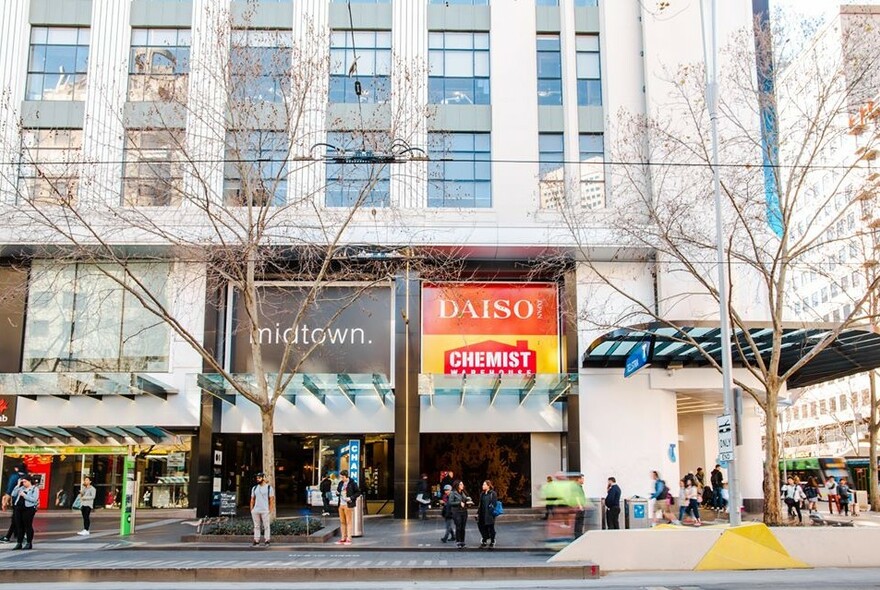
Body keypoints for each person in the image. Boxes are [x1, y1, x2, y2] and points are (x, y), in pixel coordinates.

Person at [11, 474, 38, 550]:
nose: (24, 483)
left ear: (29, 481)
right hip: (18, 508)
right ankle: (19, 543)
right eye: (22, 482)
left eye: (25, 482)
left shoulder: (34, 489)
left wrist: (24, 495)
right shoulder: (21, 488)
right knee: (19, 526)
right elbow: (13, 494)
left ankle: (29, 543)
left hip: (28, 508)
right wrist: (18, 485)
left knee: (27, 526)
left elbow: (34, 499)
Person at [1, 464, 26, 543]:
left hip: (17, 501)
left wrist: (5, 503)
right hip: (27, 501)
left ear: (16, 469)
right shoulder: (27, 476)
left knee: (16, 518)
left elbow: (9, 490)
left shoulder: (14, 477)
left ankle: (11, 537)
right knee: (18, 519)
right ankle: (17, 535)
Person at [249, 472, 275, 547]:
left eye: (259, 477)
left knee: (266, 526)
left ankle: (267, 540)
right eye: (257, 478)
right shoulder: (254, 488)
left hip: (265, 509)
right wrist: (252, 509)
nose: (257, 479)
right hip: (256, 510)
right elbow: (252, 499)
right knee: (256, 526)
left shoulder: (269, 488)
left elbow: (271, 499)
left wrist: (270, 509)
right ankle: (256, 540)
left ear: (263, 478)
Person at [335, 469, 360, 546]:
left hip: (348, 504)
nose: (341, 479)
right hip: (341, 504)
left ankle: (348, 538)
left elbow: (358, 492)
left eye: (342, 477)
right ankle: (343, 538)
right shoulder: (340, 483)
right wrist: (337, 493)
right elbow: (338, 491)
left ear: (346, 476)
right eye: (341, 477)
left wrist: (351, 498)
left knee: (348, 521)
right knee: (342, 522)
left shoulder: (352, 483)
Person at [449, 479, 473, 549]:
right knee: (458, 526)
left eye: (462, 484)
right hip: (456, 512)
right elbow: (450, 502)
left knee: (463, 527)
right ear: (457, 485)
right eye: (461, 484)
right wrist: (459, 503)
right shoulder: (453, 493)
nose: (462, 486)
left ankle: (463, 542)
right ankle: (458, 541)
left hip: (464, 511)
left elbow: (466, 499)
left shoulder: (463, 492)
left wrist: (469, 501)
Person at [477, 479, 498, 549]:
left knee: (491, 528)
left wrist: (490, 512)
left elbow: (494, 504)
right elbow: (480, 504)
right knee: (482, 527)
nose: (483, 486)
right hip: (482, 514)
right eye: (483, 484)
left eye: (484, 484)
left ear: (488, 486)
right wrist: (478, 513)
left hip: (489, 514)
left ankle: (492, 541)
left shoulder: (493, 493)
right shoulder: (482, 494)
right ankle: (484, 540)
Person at [572, 474, 589, 538]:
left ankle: (578, 534)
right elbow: (577, 497)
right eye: (582, 479)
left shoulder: (579, 486)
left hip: (581, 506)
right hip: (579, 507)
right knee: (579, 522)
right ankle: (578, 536)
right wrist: (580, 506)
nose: (583, 480)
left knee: (580, 522)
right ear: (578, 479)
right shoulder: (577, 487)